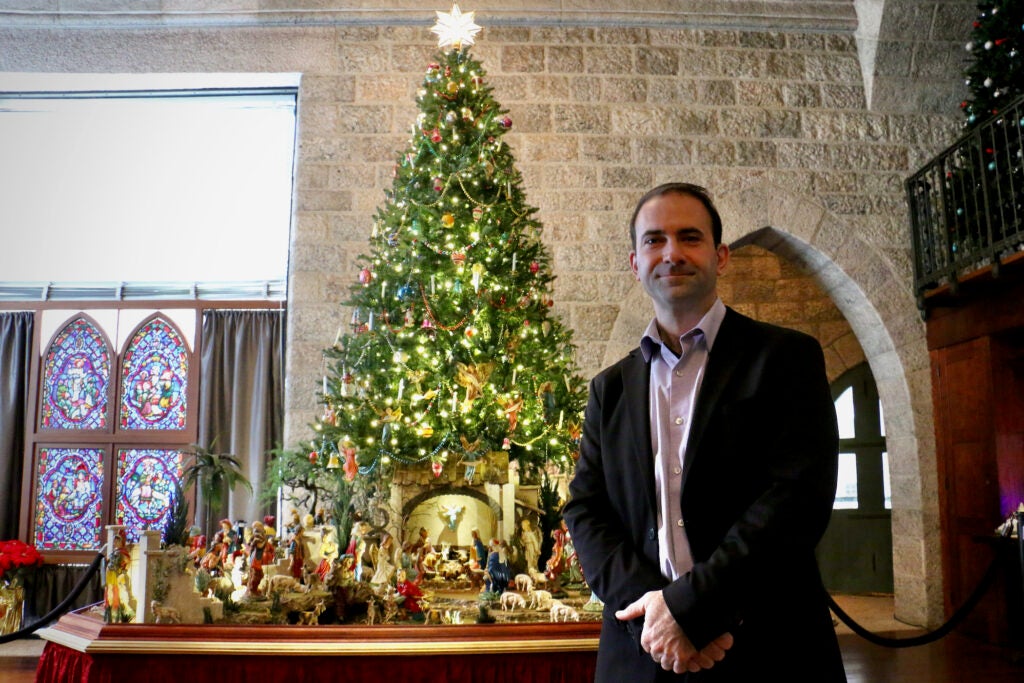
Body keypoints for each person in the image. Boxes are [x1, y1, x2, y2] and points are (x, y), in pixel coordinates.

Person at [562, 183, 845, 682]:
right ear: (635, 263)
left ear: (720, 255)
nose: (672, 253)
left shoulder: (784, 359)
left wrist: (691, 612)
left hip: (765, 645)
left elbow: (796, 500)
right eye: (654, 241)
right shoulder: (609, 389)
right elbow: (586, 508)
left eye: (689, 237)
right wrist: (655, 616)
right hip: (641, 651)